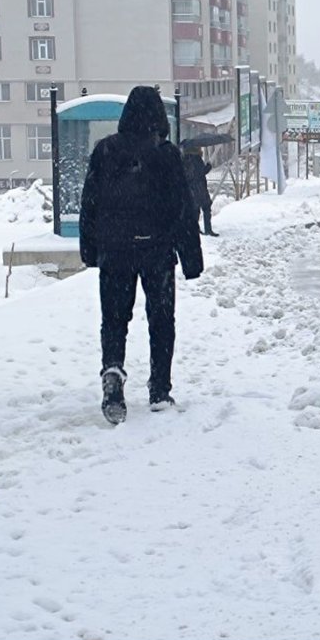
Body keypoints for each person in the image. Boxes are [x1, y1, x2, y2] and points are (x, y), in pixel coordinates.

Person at [79, 85, 203, 425]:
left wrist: (90, 250)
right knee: (161, 320)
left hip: (115, 252)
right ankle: (160, 390)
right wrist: (191, 258)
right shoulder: (166, 155)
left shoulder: (104, 151)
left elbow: (89, 202)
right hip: (157, 252)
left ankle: (113, 372)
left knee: (114, 318)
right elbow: (183, 208)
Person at [182, 145, 218, 236]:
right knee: (206, 208)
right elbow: (201, 172)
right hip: (200, 188)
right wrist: (209, 166)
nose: (201, 150)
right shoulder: (196, 159)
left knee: (195, 210)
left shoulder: (184, 160)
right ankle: (208, 229)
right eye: (199, 148)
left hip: (191, 189)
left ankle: (195, 229)